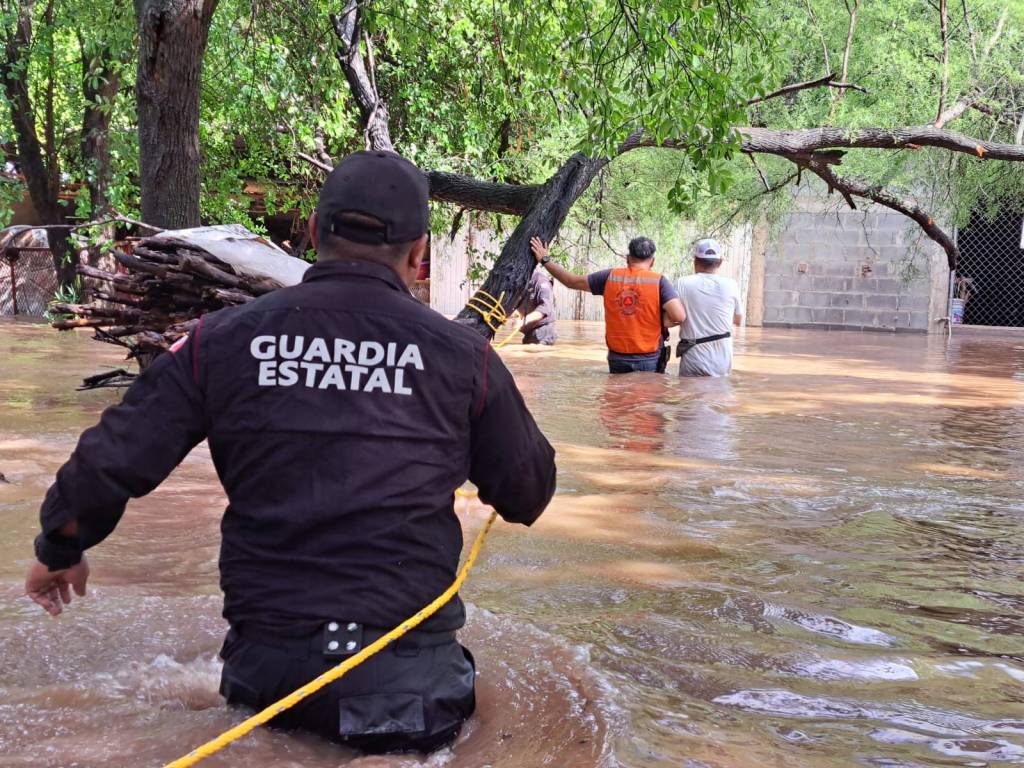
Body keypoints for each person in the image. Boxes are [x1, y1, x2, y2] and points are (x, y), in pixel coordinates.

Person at [24, 150, 557, 755]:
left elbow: (114, 454)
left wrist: (60, 545)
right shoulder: (466, 359)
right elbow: (528, 494)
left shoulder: (219, 341)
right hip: (409, 691)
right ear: (419, 255)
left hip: (267, 677)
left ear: (311, 233)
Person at [530, 235, 685, 373]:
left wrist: (545, 260)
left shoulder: (609, 277)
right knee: (645, 403)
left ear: (627, 258)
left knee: (617, 403)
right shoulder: (659, 282)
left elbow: (570, 281)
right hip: (648, 358)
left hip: (617, 358)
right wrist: (662, 321)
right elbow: (679, 316)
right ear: (652, 261)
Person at [674, 238, 743, 377]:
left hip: (693, 357)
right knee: (719, 396)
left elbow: (672, 317)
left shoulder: (682, 283)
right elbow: (738, 320)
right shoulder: (731, 285)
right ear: (720, 262)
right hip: (722, 358)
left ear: (695, 260)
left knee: (689, 396)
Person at [511, 271, 557, 345]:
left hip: (543, 332)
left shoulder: (542, 282)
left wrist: (523, 322)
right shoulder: (520, 284)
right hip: (529, 333)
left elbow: (545, 308)